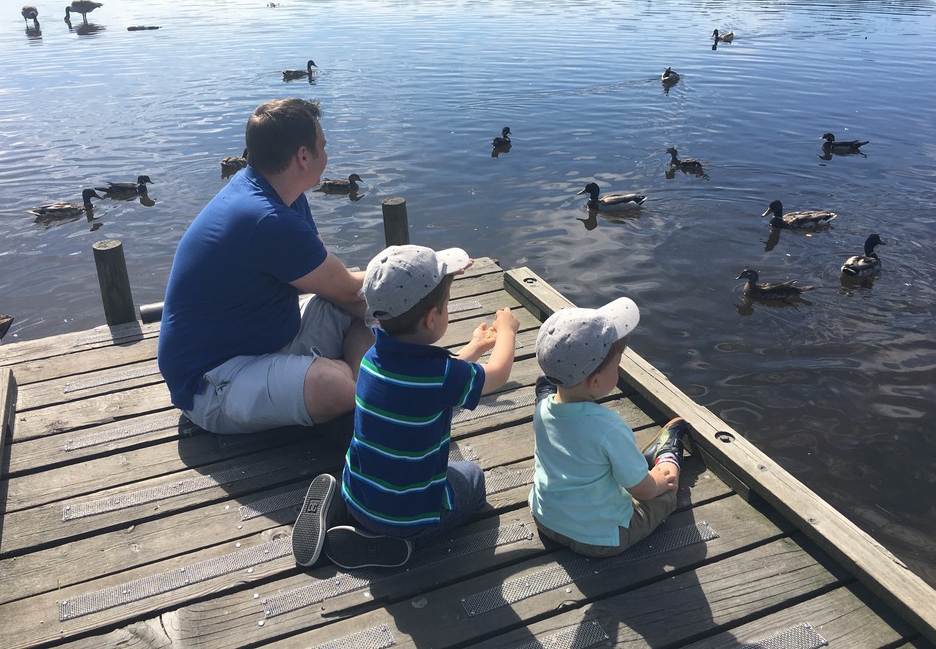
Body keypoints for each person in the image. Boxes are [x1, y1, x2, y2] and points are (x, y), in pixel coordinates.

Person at [291, 244, 520, 569]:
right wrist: (507, 331)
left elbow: (437, 379)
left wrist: (475, 347)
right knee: (473, 478)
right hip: (407, 514)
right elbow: (497, 374)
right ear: (431, 318)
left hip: (360, 492)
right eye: (446, 305)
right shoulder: (439, 376)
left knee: (375, 472)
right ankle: (400, 542)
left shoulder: (371, 357)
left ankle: (340, 506)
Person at [157, 98, 374, 434]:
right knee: (331, 382)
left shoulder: (284, 194)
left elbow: (331, 284)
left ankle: (353, 381)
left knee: (375, 309)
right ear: (304, 156)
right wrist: (428, 272)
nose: (328, 155)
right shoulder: (266, 218)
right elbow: (345, 286)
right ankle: (359, 386)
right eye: (323, 146)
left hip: (267, 341)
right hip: (212, 382)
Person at [529, 297, 689, 557]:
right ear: (595, 381)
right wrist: (659, 482)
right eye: (617, 365)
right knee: (665, 493)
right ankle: (667, 457)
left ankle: (634, 464)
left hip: (547, 521)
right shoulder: (608, 428)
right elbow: (644, 491)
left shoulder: (541, 409)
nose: (618, 370)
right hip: (601, 539)